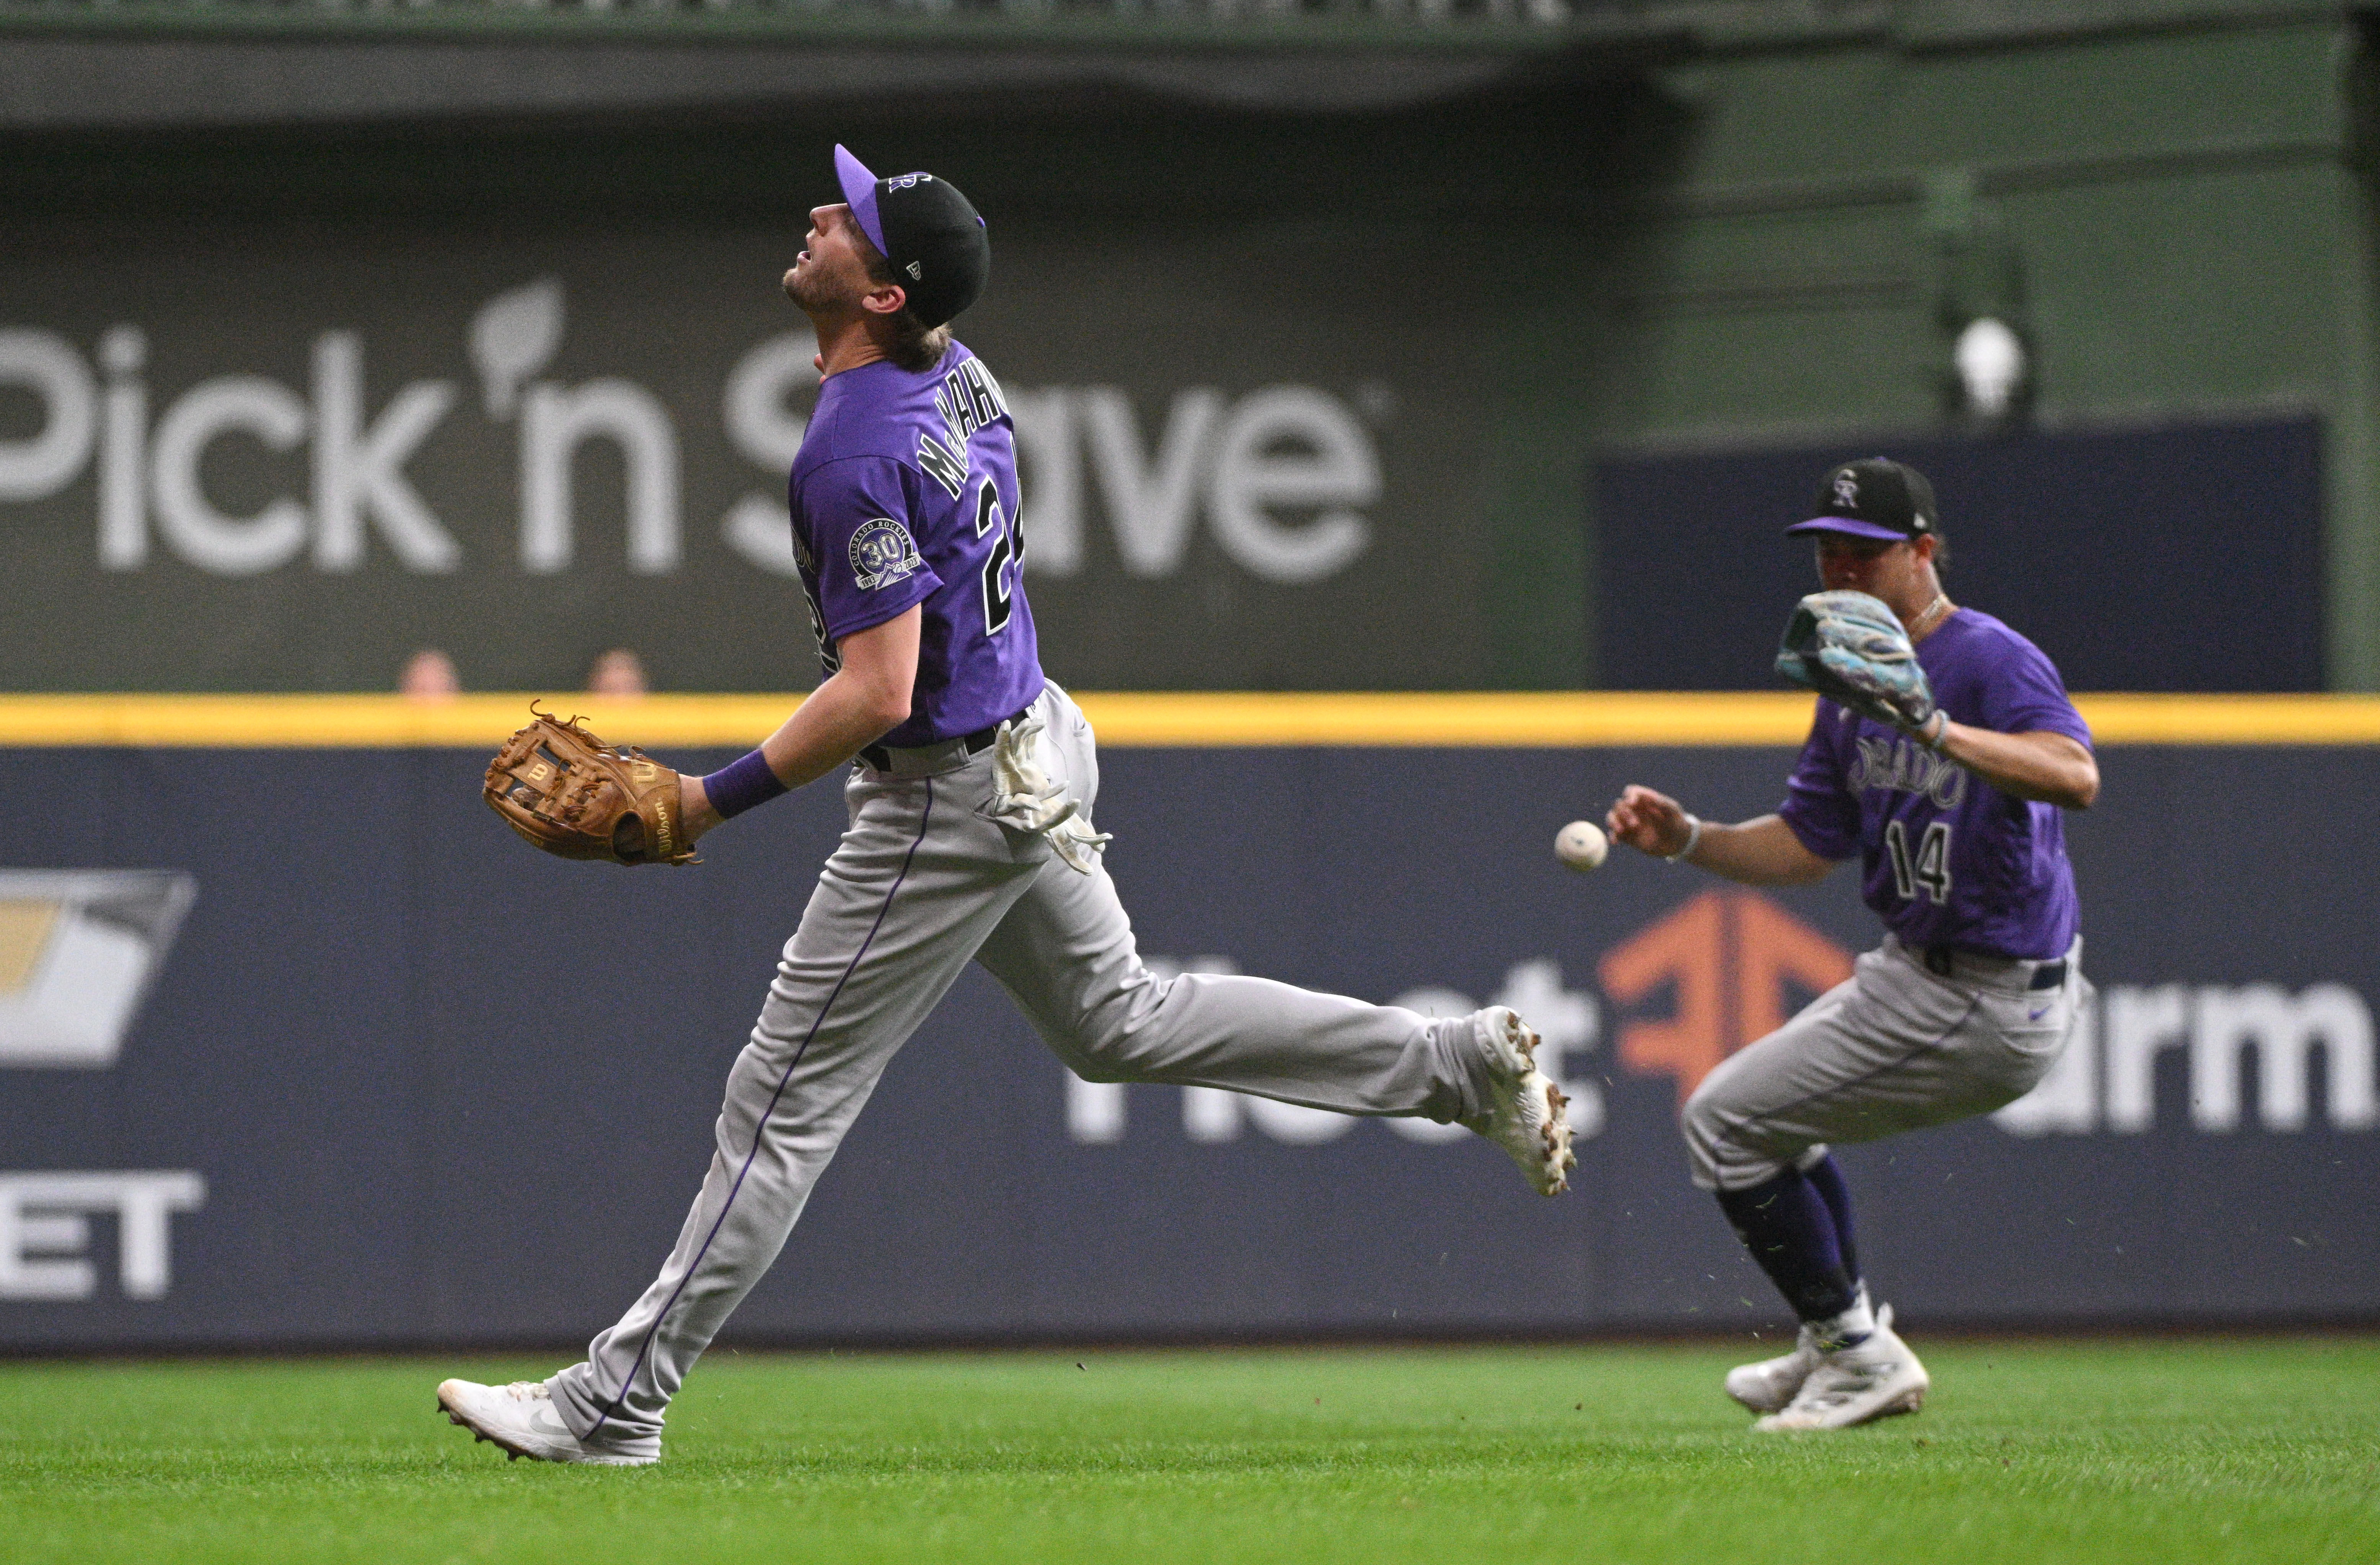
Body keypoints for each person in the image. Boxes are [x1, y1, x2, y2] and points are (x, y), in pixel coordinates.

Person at [438, 147, 1574, 1466]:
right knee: (1119, 1017)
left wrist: (705, 797)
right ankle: (1451, 1066)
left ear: (878, 294)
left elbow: (877, 688)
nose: (819, 216)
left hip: (949, 794)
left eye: (849, 222)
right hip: (1033, 736)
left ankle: (613, 1402)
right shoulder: (948, 362)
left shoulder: (853, 450)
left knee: (782, 1099)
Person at [1604, 458, 2097, 1431]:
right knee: (1761, 1121)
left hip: (1986, 992)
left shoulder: (1988, 658)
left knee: (1723, 1120)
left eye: (1865, 551)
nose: (1841, 567)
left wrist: (1938, 728)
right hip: (1916, 970)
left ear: (1921, 552)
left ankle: (1854, 1351)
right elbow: (1806, 848)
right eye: (1827, 550)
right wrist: (1692, 839)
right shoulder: (1845, 679)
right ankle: (1843, 1333)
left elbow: (2074, 775)